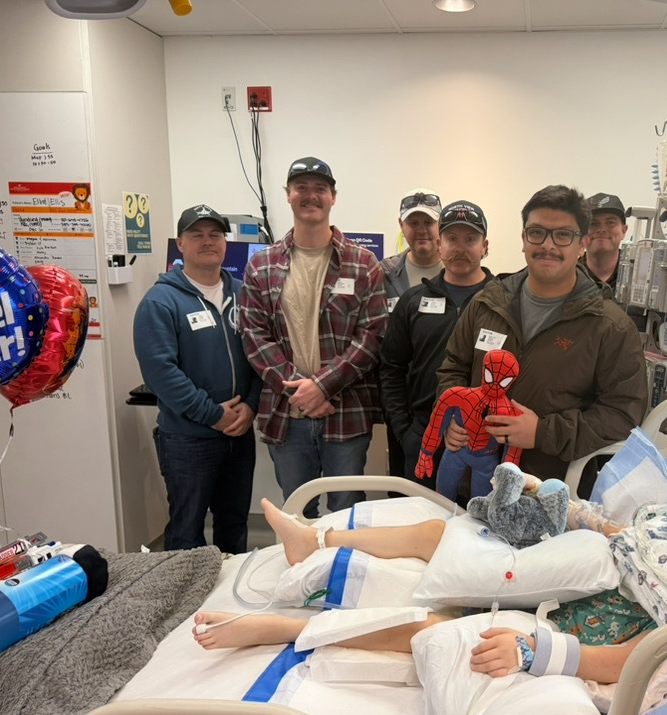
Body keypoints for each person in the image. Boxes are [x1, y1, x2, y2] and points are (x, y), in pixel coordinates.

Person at [192, 483, 667, 684]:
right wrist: (567, 509)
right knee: (437, 533)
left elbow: (651, 656)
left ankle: (288, 628)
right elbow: (630, 533)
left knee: (449, 628)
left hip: (618, 615)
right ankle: (318, 540)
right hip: (601, 562)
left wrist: (544, 655)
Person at [437, 185, 649, 484]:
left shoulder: (609, 326)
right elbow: (453, 367)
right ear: (523, 238)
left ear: (582, 243)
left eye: (563, 235)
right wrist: (454, 416)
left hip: (552, 493)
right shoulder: (488, 303)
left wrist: (542, 433)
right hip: (474, 481)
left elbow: (622, 413)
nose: (548, 245)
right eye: (537, 232)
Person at [239, 157, 387, 516]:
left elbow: (372, 336)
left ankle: (341, 574)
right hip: (287, 414)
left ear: (333, 197)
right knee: (295, 515)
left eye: (319, 188)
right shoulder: (262, 264)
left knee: (347, 512)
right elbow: (254, 336)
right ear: (288, 196)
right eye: (301, 188)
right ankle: (302, 574)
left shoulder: (363, 263)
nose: (310, 195)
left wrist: (321, 386)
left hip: (346, 412)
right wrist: (300, 390)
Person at [133, 204, 261, 553]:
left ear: (225, 243)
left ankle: (227, 601)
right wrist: (213, 415)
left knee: (234, 525)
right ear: (181, 244)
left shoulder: (245, 294)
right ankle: (185, 604)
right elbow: (161, 373)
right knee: (187, 531)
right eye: (197, 234)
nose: (208, 241)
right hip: (188, 440)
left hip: (239, 434)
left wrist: (251, 406)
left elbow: (261, 355)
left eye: (215, 235)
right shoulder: (160, 302)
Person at [379, 200, 494, 489]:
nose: (460, 247)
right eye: (452, 238)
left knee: (478, 528)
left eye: (470, 239)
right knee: (423, 525)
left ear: (485, 246)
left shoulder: (502, 303)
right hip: (423, 437)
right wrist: (405, 432)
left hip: (485, 441)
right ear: (439, 244)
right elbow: (391, 368)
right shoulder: (413, 301)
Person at [379, 189, 444, 479]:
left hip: (449, 406)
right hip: (402, 409)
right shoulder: (383, 274)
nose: (421, 230)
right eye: (413, 223)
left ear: (440, 225)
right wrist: (401, 425)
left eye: (428, 223)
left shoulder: (459, 271)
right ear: (401, 226)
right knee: (404, 488)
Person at [581, 191, 648, 332]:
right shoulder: (567, 277)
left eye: (610, 223)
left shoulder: (644, 278)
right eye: (593, 223)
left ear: (624, 231)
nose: (601, 229)